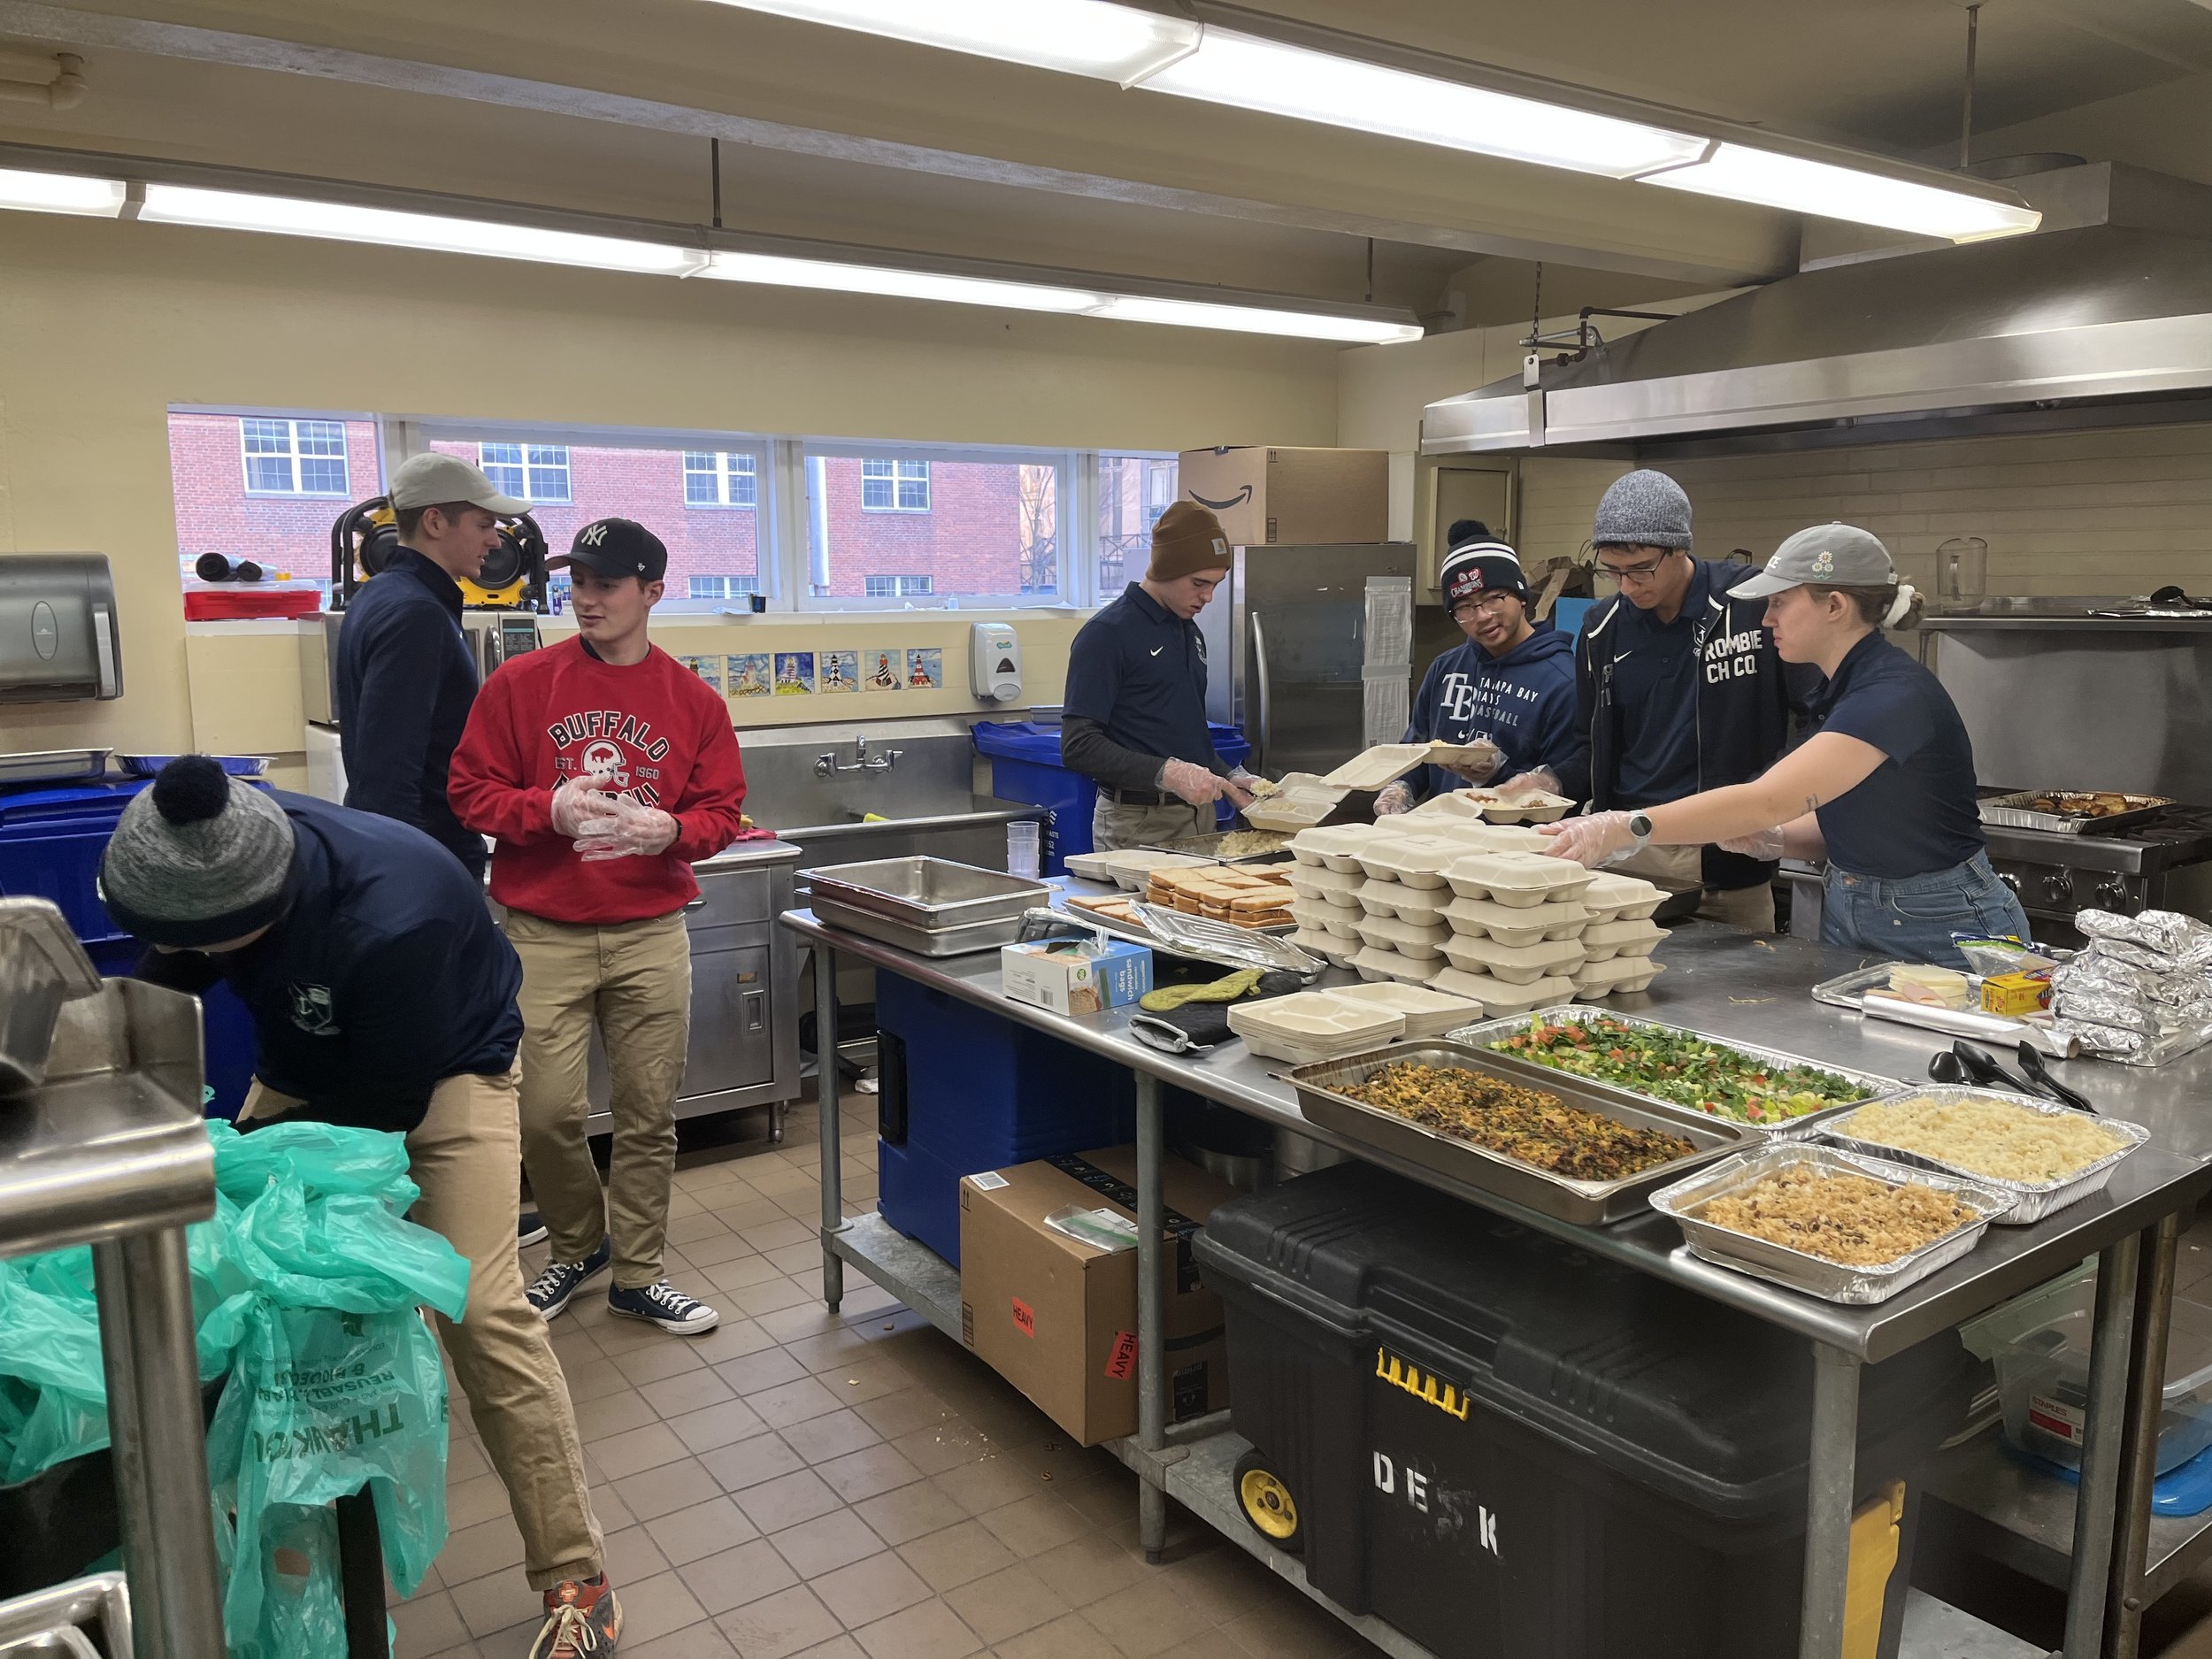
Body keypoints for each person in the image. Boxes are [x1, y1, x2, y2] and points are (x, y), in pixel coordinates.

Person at [100, 757, 623, 1658]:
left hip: (444, 1072)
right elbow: (164, 981)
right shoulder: (219, 851)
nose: (211, 953)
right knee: (235, 1291)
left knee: (480, 1310)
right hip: (310, 1073)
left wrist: (336, 1252)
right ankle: (271, 1566)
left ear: (267, 896)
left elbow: (381, 1124)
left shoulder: (394, 917)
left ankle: (578, 1578)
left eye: (223, 938)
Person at [449, 518, 748, 1336]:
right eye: (576, 580)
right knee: (543, 1114)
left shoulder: (694, 701)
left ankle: (640, 1273)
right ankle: (579, 1246)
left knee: (650, 1113)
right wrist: (545, 807)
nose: (585, 598)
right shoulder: (519, 684)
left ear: (652, 592)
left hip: (651, 930)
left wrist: (672, 832)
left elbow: (722, 810)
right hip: (539, 929)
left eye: (607, 584)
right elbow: (470, 793)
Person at [1541, 525, 2032, 970]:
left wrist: (1626, 827)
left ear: (1835, 606)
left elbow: (1766, 799)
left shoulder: (1891, 696)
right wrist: (1779, 839)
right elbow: (1867, 817)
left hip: (1938, 918)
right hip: (1857, 900)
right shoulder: (1838, 687)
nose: (1766, 618)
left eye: (1779, 602)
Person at [1505, 469, 1812, 931]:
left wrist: (1772, 807)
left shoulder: (1749, 605)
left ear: (1679, 547)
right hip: (1627, 859)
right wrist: (1547, 782)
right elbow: (1591, 749)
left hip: (1727, 862)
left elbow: (1813, 719)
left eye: (1641, 569)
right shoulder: (1601, 628)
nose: (1628, 586)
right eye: (1614, 572)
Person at [334, 451, 530, 880]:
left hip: (412, 848)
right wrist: (411, 881)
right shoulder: (416, 615)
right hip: (427, 857)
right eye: (483, 525)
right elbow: (389, 774)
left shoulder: (379, 594)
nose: (496, 542)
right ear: (436, 522)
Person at [1062, 501, 1263, 850]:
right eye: (1199, 583)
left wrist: (1229, 777)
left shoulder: (1188, 632)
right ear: (1166, 568)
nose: (1208, 597)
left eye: (1216, 584)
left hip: (1199, 817)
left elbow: (1183, 736)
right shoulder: (1107, 634)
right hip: (1138, 823)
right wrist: (1169, 773)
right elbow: (1078, 746)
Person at [1375, 533, 1575, 816]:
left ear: (1520, 596)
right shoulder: (1445, 669)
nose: (1481, 616)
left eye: (1493, 598)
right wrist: (1400, 786)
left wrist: (1498, 771)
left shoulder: (1562, 681)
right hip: (1437, 838)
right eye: (1464, 607)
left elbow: (1566, 788)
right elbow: (1416, 754)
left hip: (1517, 850)